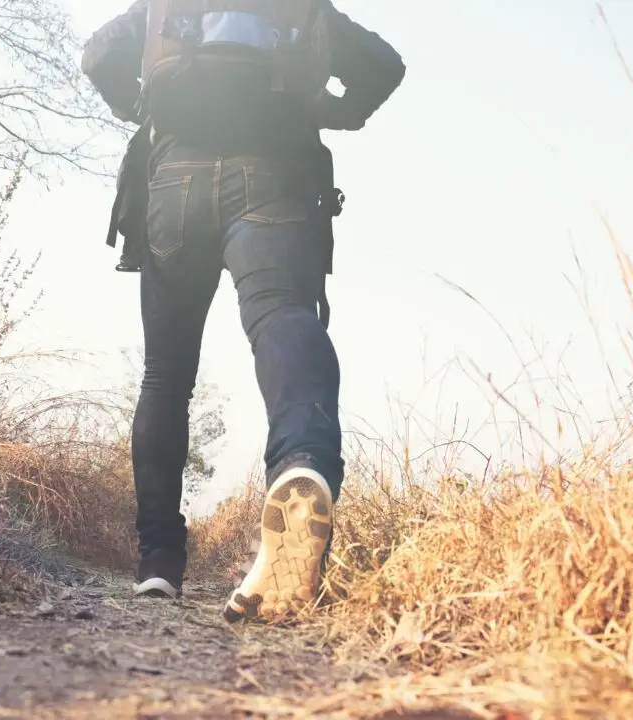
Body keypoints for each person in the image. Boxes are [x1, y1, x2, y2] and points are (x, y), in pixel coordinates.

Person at [81, 0, 405, 623]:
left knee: (166, 377)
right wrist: (331, 111)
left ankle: (157, 562)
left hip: (172, 182)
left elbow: (98, 55)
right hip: (274, 175)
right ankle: (301, 463)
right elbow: (383, 67)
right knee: (282, 315)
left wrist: (141, 106)